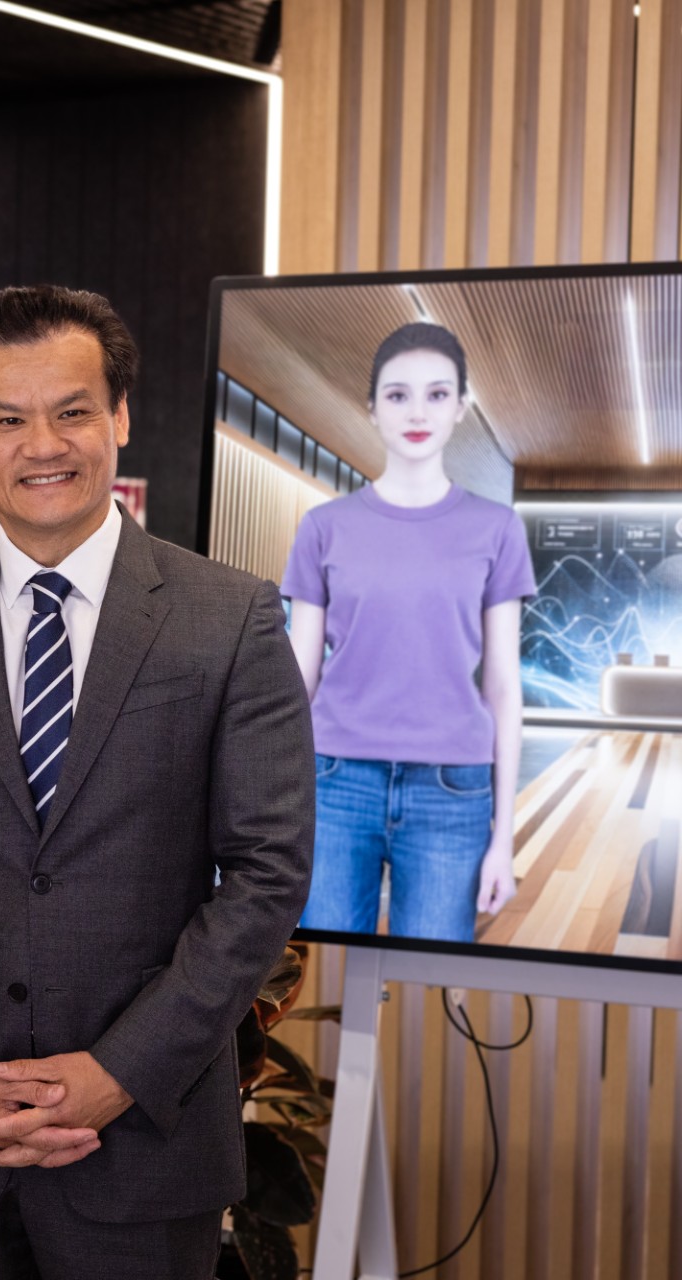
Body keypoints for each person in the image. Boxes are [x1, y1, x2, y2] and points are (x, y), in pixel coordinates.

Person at [0, 284, 314, 1280]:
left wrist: (115, 1074)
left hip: (146, 1146)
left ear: (121, 417)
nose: (41, 443)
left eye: (73, 409)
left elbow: (266, 875)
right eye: (6, 417)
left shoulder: (231, 619)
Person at [285, 322, 532, 943]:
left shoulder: (497, 529)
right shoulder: (323, 527)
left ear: (461, 408)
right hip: (334, 781)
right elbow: (295, 680)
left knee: (430, 974)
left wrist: (504, 838)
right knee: (327, 976)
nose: (417, 412)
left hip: (455, 792)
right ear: (371, 409)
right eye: (397, 395)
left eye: (437, 394)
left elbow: (504, 687)